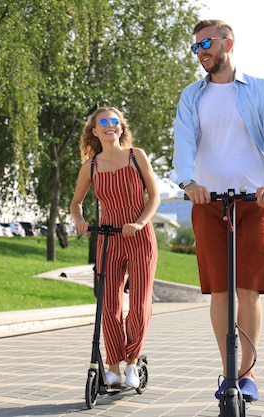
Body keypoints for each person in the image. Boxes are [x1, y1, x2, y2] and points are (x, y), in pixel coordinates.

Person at [172, 19, 264, 402]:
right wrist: (188, 183)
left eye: (206, 43)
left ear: (228, 43)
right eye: (195, 47)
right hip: (208, 204)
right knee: (220, 294)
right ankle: (228, 376)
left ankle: (248, 374)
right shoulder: (192, 95)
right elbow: (184, 139)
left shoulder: (259, 89)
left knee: (249, 290)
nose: (201, 51)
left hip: (255, 202)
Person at [71, 106, 160, 388]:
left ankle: (132, 363)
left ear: (121, 127)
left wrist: (139, 222)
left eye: (115, 121)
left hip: (140, 239)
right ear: (95, 131)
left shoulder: (137, 156)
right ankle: (112, 366)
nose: (111, 126)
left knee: (138, 305)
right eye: (104, 123)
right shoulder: (91, 166)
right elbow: (76, 203)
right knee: (108, 306)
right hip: (108, 240)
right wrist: (80, 220)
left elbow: (155, 197)